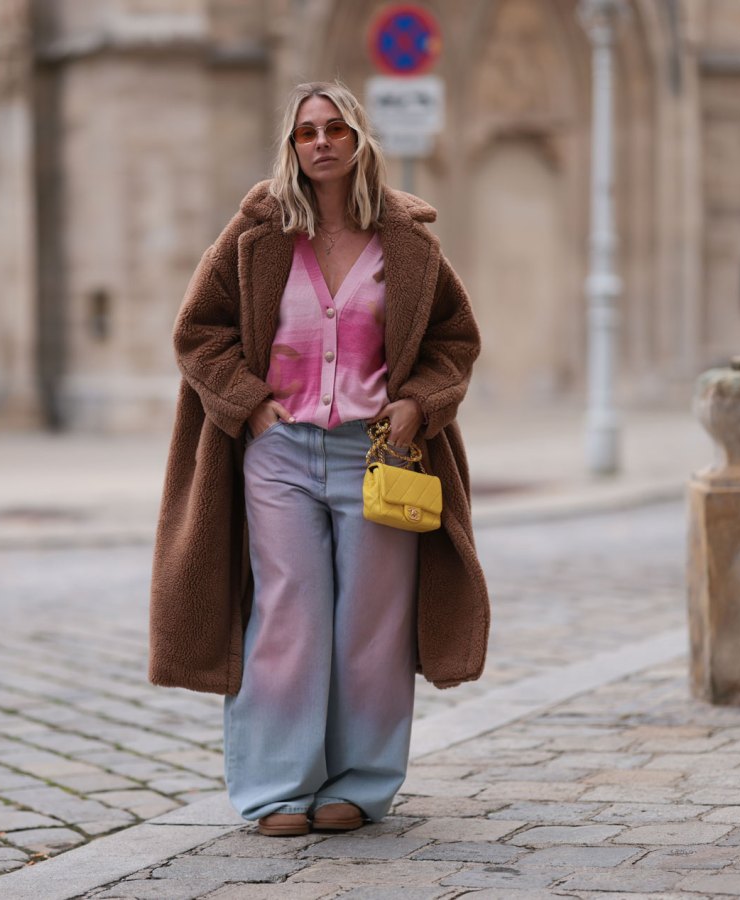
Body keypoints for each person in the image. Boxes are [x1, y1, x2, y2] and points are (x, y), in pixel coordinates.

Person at [149, 80, 489, 837]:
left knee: (372, 620)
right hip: (281, 452)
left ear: (360, 140)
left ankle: (360, 785)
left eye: (336, 129)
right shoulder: (257, 234)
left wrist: (418, 405)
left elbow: (454, 342)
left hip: (380, 454)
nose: (322, 142)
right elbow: (197, 332)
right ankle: (275, 789)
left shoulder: (407, 244)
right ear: (292, 146)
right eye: (307, 132)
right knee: (288, 616)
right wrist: (253, 407)